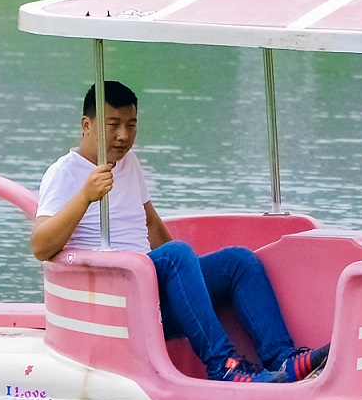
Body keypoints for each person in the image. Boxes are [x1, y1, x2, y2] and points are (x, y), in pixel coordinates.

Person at [31, 80, 324, 384]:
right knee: (176, 254)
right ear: (86, 125)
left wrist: (189, 283)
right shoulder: (63, 173)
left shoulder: (128, 163)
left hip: (149, 291)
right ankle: (223, 365)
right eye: (113, 124)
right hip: (116, 302)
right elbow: (40, 247)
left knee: (239, 262)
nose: (123, 136)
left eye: (132, 125)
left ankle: (282, 359)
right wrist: (84, 196)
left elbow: (151, 224)